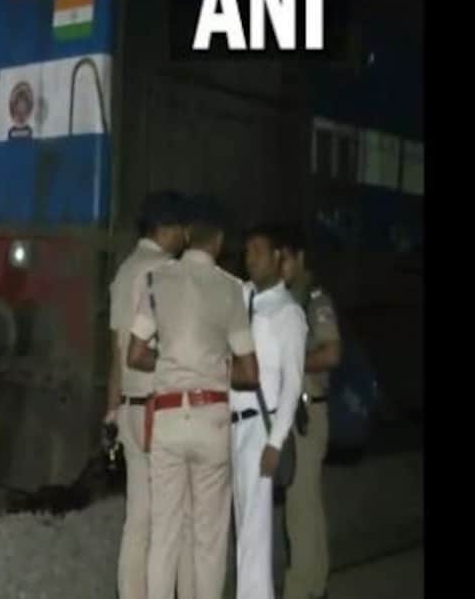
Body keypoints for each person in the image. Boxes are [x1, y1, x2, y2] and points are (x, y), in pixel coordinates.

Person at [126, 196, 259, 599]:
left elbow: (135, 353)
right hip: (212, 420)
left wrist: (167, 361)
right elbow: (249, 373)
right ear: (218, 242)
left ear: (186, 235)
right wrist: (215, 371)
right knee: (208, 538)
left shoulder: (157, 281)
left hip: (167, 417)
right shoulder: (232, 290)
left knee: (164, 533)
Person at [106, 191, 195, 599]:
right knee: (172, 522)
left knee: (137, 518)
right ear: (166, 229)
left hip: (128, 408)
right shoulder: (168, 273)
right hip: (162, 411)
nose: (186, 236)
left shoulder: (124, 272)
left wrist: (111, 411)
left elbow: (115, 353)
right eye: (182, 228)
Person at [233, 226, 307, 599]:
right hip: (232, 426)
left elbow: (293, 384)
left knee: (254, 534)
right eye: (247, 251)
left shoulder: (288, 313)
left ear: (279, 256)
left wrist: (275, 443)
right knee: (243, 527)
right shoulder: (243, 296)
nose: (250, 258)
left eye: (258, 251)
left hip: (261, 430)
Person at [278, 227, 340, 599]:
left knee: (299, 514)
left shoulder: (314, 300)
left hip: (307, 414)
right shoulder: (290, 299)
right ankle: (316, 585)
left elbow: (331, 352)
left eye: (285, 257)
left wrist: (289, 361)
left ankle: (301, 590)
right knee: (308, 509)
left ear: (300, 257)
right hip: (300, 414)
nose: (280, 265)